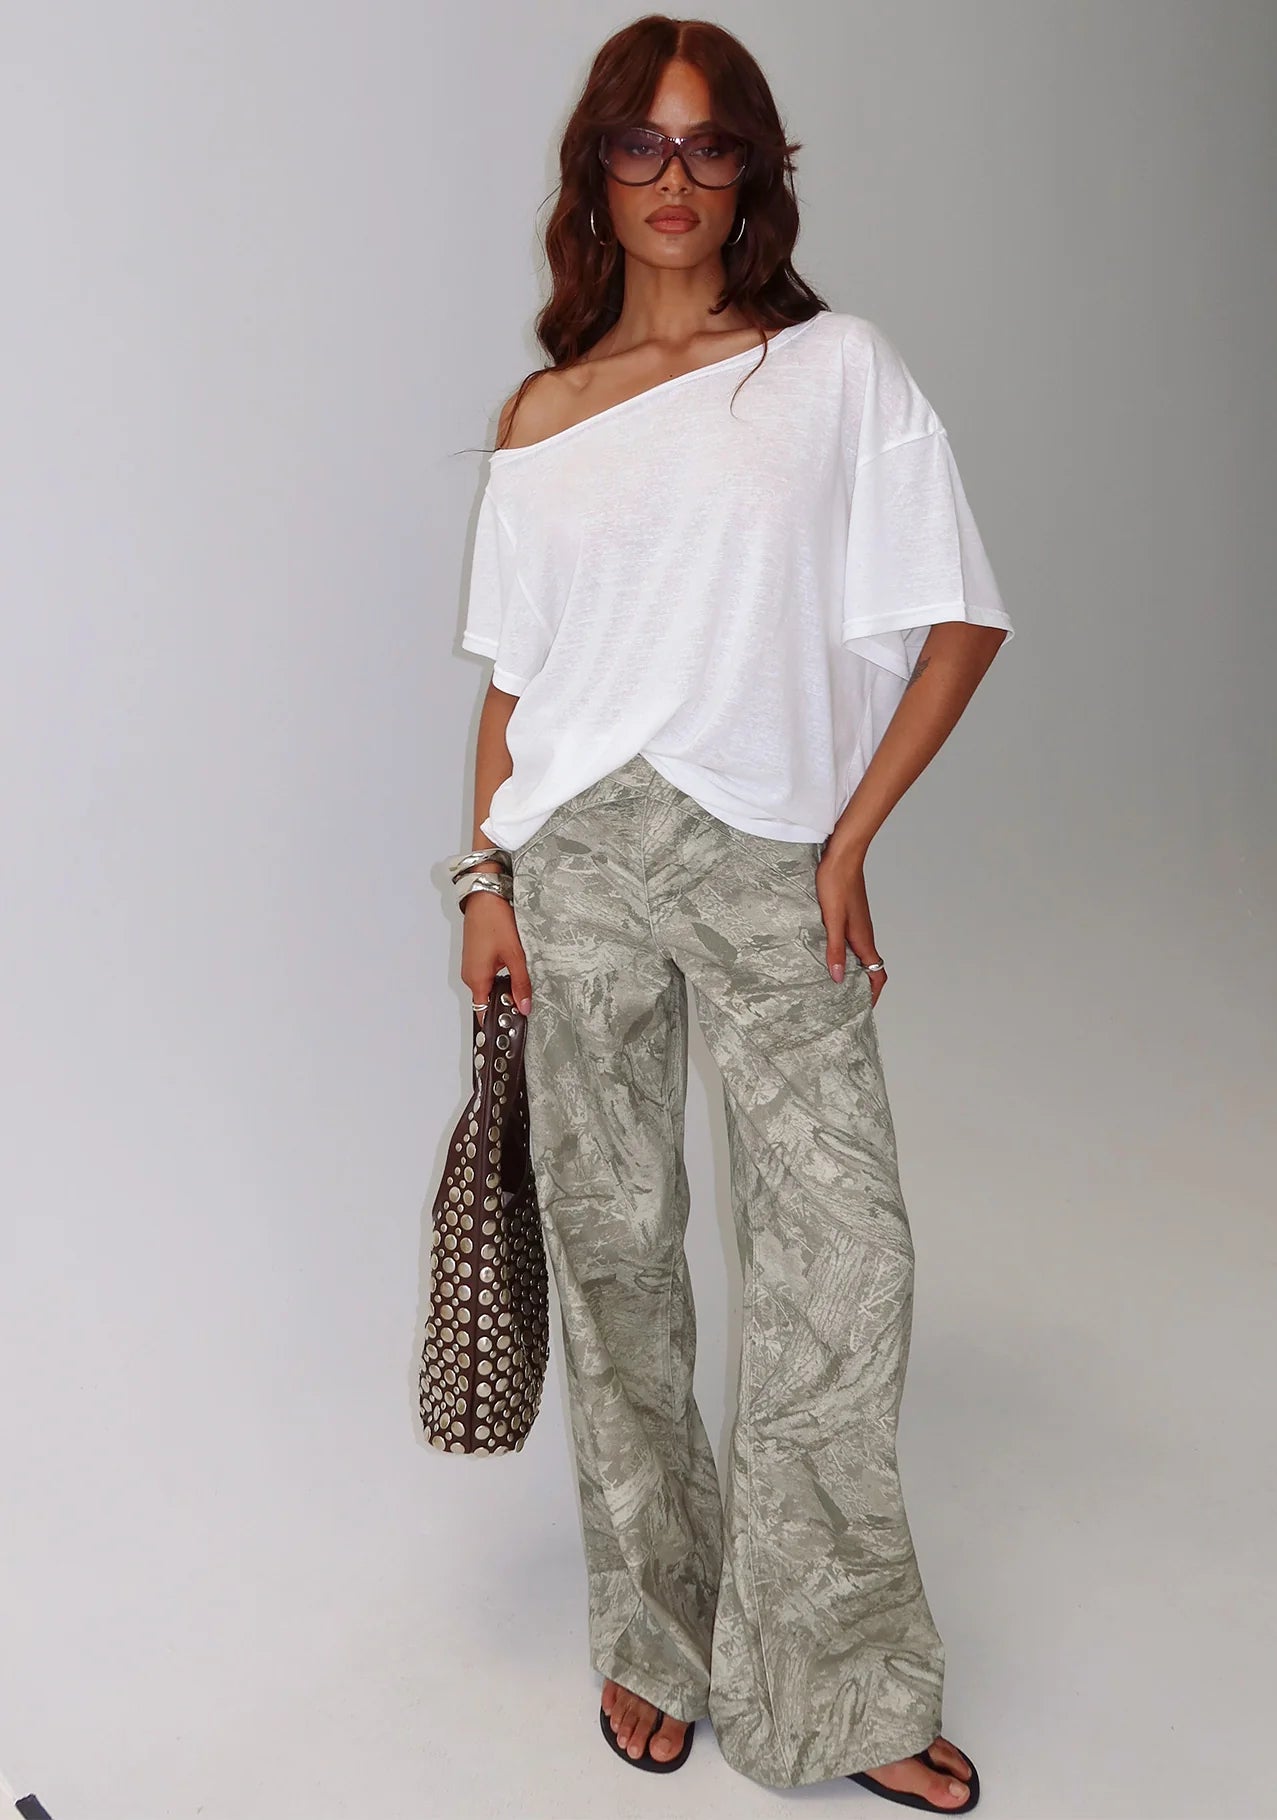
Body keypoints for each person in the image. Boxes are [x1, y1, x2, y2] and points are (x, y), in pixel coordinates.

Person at [445, 17, 1013, 1812]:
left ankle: (836, 1681)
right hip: (575, 866)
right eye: (640, 145)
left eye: (710, 146)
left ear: (753, 171)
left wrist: (847, 843)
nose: (674, 178)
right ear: (595, 174)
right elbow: (514, 687)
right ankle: (653, 1636)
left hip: (768, 853)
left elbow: (960, 621)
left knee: (842, 1264)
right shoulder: (541, 417)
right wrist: (484, 879)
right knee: (614, 1260)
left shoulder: (831, 372)